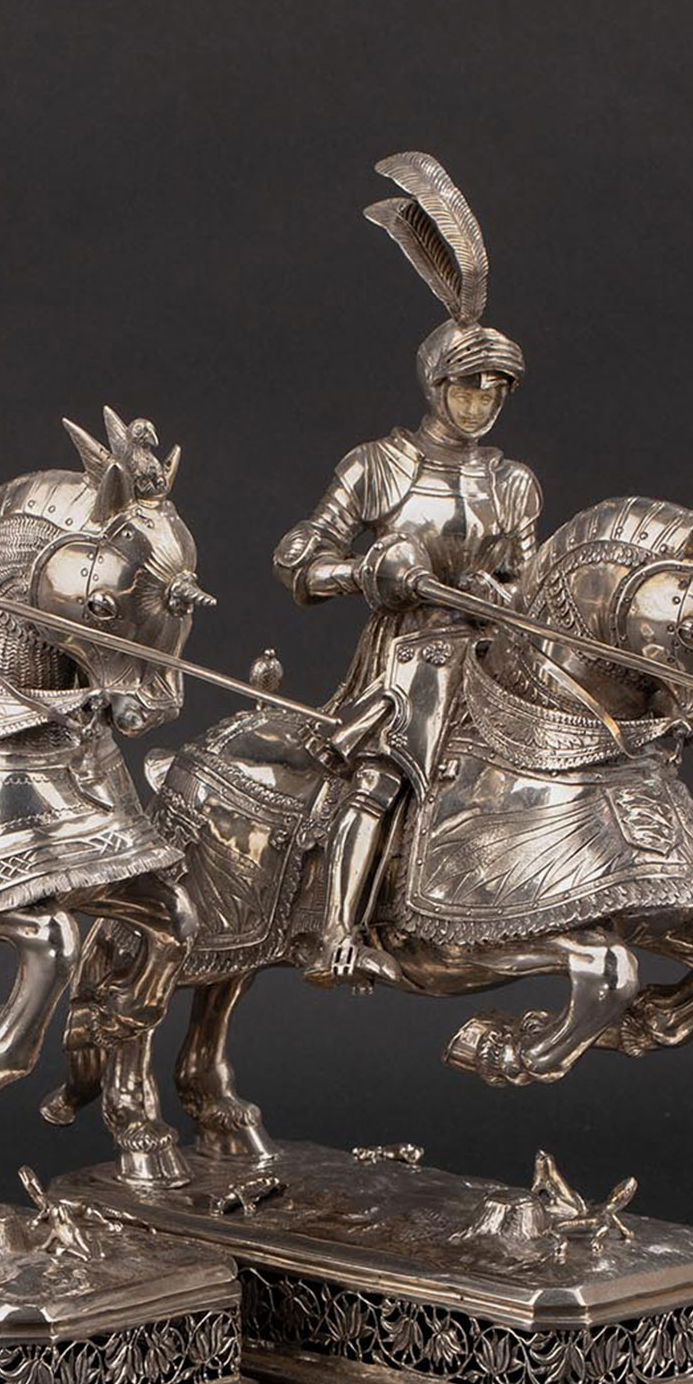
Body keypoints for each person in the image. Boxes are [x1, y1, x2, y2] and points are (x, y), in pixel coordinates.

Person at [273, 153, 540, 988]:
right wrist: (366, 574)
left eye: (495, 390)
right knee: (385, 773)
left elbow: (532, 585)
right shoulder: (379, 466)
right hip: (408, 664)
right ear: (435, 383)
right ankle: (338, 931)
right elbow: (295, 557)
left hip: (491, 661)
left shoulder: (513, 483)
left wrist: (506, 596)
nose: (481, 402)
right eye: (469, 386)